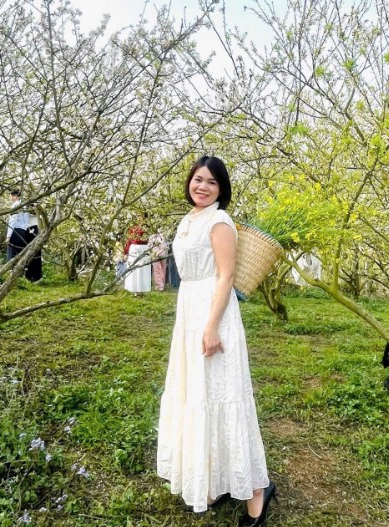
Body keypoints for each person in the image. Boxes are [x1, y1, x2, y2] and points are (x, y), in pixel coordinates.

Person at [157, 156, 276, 526]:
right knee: (199, 394)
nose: (203, 187)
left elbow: (225, 277)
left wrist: (211, 328)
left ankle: (257, 492)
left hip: (214, 313)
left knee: (224, 396)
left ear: (221, 188)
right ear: (189, 182)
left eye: (211, 182)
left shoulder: (219, 221)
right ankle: (217, 479)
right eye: (198, 179)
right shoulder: (188, 220)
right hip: (189, 310)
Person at [123, 216, 151, 297]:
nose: (140, 218)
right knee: (134, 268)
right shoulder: (133, 228)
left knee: (143, 269)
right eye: (138, 216)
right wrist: (126, 252)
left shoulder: (148, 228)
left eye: (141, 216)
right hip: (134, 248)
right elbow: (129, 240)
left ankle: (141, 289)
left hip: (144, 248)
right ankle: (135, 289)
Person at [6, 190, 29, 261]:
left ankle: (10, 267)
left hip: (15, 231)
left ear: (15, 196)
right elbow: (27, 220)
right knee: (20, 253)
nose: (10, 197)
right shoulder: (24, 206)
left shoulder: (15, 205)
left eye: (10, 195)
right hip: (23, 232)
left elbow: (12, 222)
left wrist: (8, 236)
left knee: (11, 254)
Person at [24, 205, 43, 282]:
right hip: (27, 229)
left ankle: (36, 276)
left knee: (36, 253)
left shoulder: (37, 210)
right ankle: (29, 275)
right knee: (28, 253)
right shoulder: (25, 209)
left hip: (34, 228)